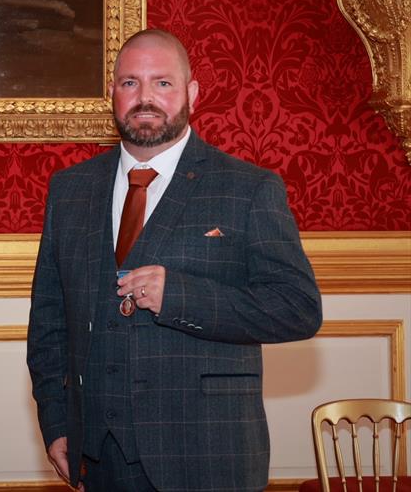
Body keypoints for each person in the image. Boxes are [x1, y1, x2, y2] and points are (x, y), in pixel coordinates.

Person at [26, 29, 322, 492]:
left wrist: (180, 296)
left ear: (192, 93)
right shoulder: (70, 191)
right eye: (129, 83)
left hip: (207, 457)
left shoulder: (249, 188)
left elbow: (297, 309)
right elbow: (48, 321)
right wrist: (57, 421)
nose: (145, 97)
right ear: (112, 94)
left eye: (162, 83)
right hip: (99, 458)